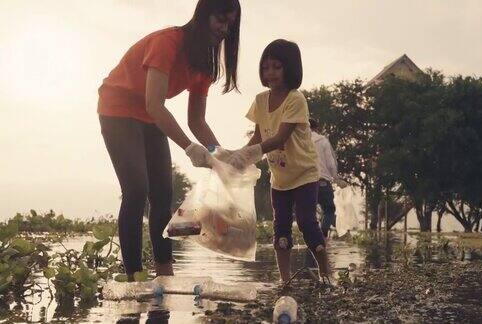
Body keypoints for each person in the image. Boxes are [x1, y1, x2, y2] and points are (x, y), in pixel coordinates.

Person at [97, 0, 241, 280]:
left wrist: (220, 155)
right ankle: (134, 277)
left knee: (162, 194)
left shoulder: (206, 64)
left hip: (151, 117)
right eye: (219, 20)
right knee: (137, 190)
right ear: (203, 16)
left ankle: (165, 274)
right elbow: (154, 104)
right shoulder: (168, 42)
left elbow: (196, 120)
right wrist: (189, 148)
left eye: (229, 24)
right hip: (118, 108)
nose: (224, 29)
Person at [220, 39, 331, 282]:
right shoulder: (261, 100)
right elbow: (258, 137)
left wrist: (248, 154)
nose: (270, 73)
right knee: (280, 228)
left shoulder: (295, 99)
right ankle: (285, 280)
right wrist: (236, 156)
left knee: (306, 222)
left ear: (290, 68)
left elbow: (280, 138)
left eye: (277, 67)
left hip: (304, 174)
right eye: (266, 67)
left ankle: (325, 273)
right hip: (279, 178)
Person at [309, 118, 347, 237]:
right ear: (316, 128)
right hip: (322, 182)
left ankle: (311, 238)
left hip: (306, 183)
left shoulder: (300, 141)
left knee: (308, 212)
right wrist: (336, 178)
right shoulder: (323, 141)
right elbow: (331, 164)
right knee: (329, 210)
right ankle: (323, 234)